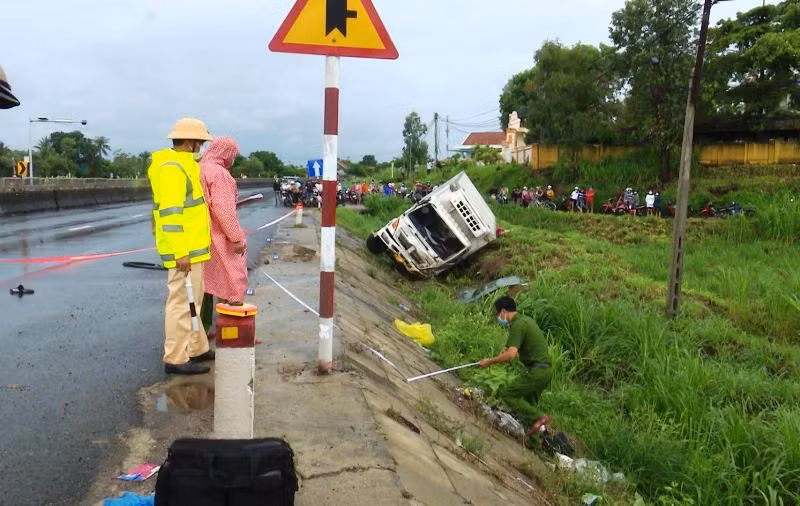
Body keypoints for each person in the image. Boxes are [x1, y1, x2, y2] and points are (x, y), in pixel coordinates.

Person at [148, 118, 214, 375]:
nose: (201, 146)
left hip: (194, 249)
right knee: (180, 303)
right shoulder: (172, 169)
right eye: (199, 141)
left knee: (193, 302)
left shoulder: (186, 166)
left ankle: (197, 349)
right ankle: (175, 358)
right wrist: (180, 253)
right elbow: (171, 215)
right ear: (189, 141)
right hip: (184, 251)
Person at [480, 296, 552, 439]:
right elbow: (512, 348)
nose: (497, 317)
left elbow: (511, 355)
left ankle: (540, 417)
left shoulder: (518, 325)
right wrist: (504, 351)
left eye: (497, 313)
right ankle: (534, 440)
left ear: (504, 311)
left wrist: (490, 361)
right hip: (545, 371)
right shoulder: (526, 320)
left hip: (537, 371)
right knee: (528, 406)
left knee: (508, 394)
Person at [200, 136, 247, 310]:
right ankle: (231, 330)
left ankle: (202, 331)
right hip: (218, 235)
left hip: (199, 234)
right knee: (232, 280)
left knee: (203, 284)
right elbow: (223, 209)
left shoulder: (197, 169)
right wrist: (236, 239)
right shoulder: (219, 174)